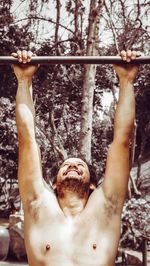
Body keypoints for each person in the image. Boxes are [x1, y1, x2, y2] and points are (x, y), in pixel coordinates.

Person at [12, 50, 139, 266]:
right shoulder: (38, 205)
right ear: (54, 182)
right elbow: (26, 139)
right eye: (66, 165)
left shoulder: (106, 205)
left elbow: (122, 141)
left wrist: (126, 81)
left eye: (79, 165)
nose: (71, 165)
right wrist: (24, 80)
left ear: (91, 184)